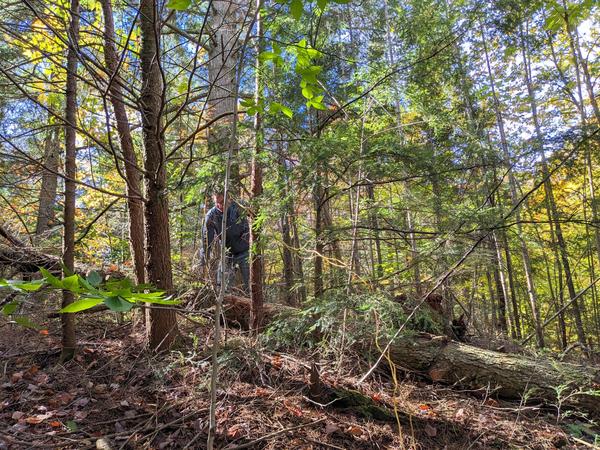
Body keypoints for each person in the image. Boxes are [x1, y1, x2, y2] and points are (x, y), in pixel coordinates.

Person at [199, 192, 250, 294]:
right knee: (222, 285)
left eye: (222, 202)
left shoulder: (237, 209)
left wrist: (246, 241)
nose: (220, 205)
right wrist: (204, 259)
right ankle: (223, 305)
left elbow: (248, 228)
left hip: (245, 251)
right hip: (227, 252)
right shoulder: (211, 215)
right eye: (217, 203)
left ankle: (254, 304)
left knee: (249, 283)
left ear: (228, 199)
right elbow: (206, 240)